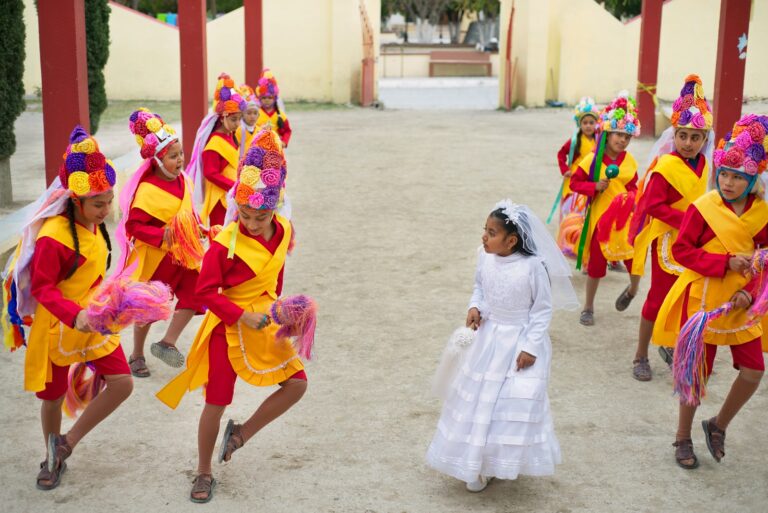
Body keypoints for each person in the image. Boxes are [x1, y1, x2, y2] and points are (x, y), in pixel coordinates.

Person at [156, 129, 306, 503]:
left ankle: (241, 434)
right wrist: (239, 315)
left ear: (277, 207)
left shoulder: (284, 229)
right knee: (216, 402)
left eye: (262, 215)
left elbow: (276, 275)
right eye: (246, 214)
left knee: (298, 385)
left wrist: (282, 308)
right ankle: (204, 471)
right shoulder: (223, 245)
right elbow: (204, 294)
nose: (253, 223)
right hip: (227, 327)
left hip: (266, 322)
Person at [2, 126, 132, 490]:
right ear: (75, 201)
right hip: (60, 322)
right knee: (53, 398)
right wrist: (77, 315)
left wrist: (111, 303)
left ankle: (66, 444)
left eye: (109, 200)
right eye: (98, 204)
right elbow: (43, 288)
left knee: (122, 383)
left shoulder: (92, 225)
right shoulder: (53, 238)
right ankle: (49, 456)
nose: (106, 210)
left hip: (93, 316)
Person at [426, 200, 578, 492]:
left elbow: (542, 309)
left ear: (512, 240)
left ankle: (498, 461)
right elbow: (480, 287)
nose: (484, 236)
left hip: (518, 344)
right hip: (487, 342)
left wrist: (530, 347)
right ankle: (476, 464)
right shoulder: (485, 258)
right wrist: (475, 306)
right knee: (478, 401)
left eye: (492, 232)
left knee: (508, 404)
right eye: (485, 229)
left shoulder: (532, 267)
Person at [653, 114, 768, 469]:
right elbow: (681, 251)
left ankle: (717, 425)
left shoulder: (763, 214)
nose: (729, 182)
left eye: (738, 177)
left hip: (741, 305)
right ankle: (682, 437)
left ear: (753, 179)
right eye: (725, 175)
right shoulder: (703, 208)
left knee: (754, 371)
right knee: (695, 375)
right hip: (703, 302)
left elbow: (765, 259)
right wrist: (723, 264)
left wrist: (750, 292)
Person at [628, 75, 713, 381]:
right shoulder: (665, 167)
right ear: (673, 135)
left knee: (688, 295)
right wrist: (688, 222)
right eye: (683, 136)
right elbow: (652, 206)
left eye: (695, 137)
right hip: (666, 239)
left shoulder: (705, 166)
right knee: (659, 295)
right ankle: (640, 354)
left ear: (705, 140)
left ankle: (673, 346)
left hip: (694, 241)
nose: (688, 143)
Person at [115, 108, 205, 377]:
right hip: (158, 259)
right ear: (157, 159)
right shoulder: (147, 190)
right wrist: (160, 236)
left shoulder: (184, 180)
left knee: (195, 293)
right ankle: (136, 355)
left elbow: (188, 211)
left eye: (180, 155)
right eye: (173, 157)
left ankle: (167, 342)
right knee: (148, 308)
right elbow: (133, 226)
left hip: (185, 255)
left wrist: (199, 228)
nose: (180, 161)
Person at [570, 91, 641, 326]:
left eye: (627, 137)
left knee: (634, 260)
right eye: (618, 134)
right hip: (601, 220)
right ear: (607, 134)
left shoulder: (629, 161)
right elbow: (574, 183)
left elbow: (634, 186)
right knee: (597, 267)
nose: (622, 140)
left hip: (625, 221)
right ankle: (588, 306)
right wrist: (594, 186)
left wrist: (631, 197)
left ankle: (631, 290)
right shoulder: (593, 159)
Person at [187, 72, 247, 228]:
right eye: (234, 119)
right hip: (220, 198)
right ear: (222, 118)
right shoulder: (213, 143)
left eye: (240, 119)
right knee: (220, 235)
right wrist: (233, 186)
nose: (238, 124)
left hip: (232, 192)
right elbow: (210, 173)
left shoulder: (231, 136)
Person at [553, 97, 599, 258]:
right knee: (573, 214)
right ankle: (569, 242)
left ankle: (583, 244)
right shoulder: (575, 141)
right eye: (584, 122)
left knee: (586, 215)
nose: (588, 126)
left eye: (591, 123)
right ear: (579, 124)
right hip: (575, 181)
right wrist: (564, 169)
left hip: (589, 181)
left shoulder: (599, 141)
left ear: (596, 124)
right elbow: (561, 154)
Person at [253, 69, 292, 148]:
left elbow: (287, 131)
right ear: (260, 99)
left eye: (270, 98)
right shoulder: (255, 114)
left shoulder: (280, 115)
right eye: (264, 98)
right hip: (259, 149)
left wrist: (284, 142)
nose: (267, 100)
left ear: (274, 98)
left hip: (276, 149)